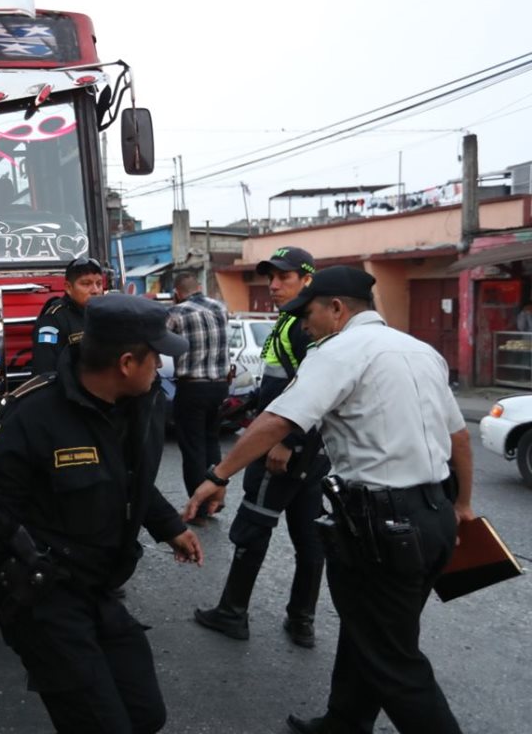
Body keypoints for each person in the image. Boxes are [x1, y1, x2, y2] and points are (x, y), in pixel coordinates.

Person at [184, 266, 475, 734]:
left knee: (394, 660)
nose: (304, 325)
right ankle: (345, 721)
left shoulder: (337, 351)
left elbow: (278, 420)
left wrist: (218, 475)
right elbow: (459, 437)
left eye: (308, 314)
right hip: (435, 515)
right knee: (371, 631)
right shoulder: (421, 351)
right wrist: (462, 507)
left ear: (337, 309)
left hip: (384, 526)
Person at [0, 294, 204, 734]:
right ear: (127, 363)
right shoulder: (34, 415)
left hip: (101, 589)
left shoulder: (143, 404)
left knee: (146, 715)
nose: (161, 366)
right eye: (156, 356)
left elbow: (133, 480)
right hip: (45, 599)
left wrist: (170, 527)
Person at [194, 246, 330, 647]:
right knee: (310, 535)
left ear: (307, 280)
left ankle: (232, 613)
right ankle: (301, 620)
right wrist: (249, 403)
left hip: (283, 449)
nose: (273, 285)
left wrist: (287, 440)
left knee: (253, 526)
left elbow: (317, 390)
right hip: (308, 452)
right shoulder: (290, 321)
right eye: (270, 277)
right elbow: (281, 381)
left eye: (284, 277)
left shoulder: (302, 326)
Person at [167, 271, 230, 510]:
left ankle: (199, 506)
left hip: (192, 387)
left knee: (193, 447)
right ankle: (216, 498)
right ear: (199, 287)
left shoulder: (177, 312)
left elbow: (161, 340)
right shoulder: (220, 307)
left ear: (177, 293)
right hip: (220, 386)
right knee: (212, 441)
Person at [30, 256, 105, 375]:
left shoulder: (105, 316)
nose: (95, 290)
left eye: (99, 284)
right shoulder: (53, 321)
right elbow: (45, 372)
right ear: (68, 288)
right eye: (86, 284)